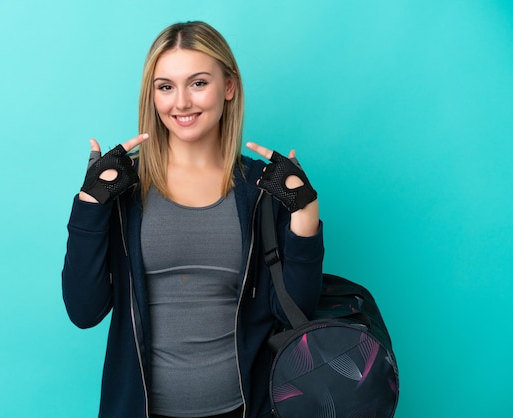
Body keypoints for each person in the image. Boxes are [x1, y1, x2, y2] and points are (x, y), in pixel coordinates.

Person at [62, 21, 324, 418]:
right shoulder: (122, 187)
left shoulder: (261, 187)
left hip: (246, 408)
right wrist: (89, 205)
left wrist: (305, 216)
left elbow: (294, 314)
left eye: (198, 83)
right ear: (152, 96)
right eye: (165, 87)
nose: (181, 102)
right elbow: (84, 311)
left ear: (229, 87)